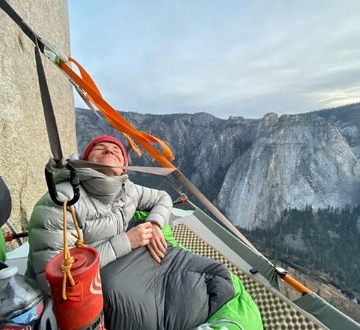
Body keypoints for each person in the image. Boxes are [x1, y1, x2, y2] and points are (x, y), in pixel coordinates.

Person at [27, 134, 262, 330]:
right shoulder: (60, 203)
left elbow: (163, 197)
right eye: (100, 148)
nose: (110, 150)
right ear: (84, 160)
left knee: (216, 278)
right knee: (153, 313)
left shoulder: (127, 189)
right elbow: (56, 282)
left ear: (123, 169)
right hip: (103, 275)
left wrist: (155, 224)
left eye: (117, 151)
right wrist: (126, 241)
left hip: (135, 261)